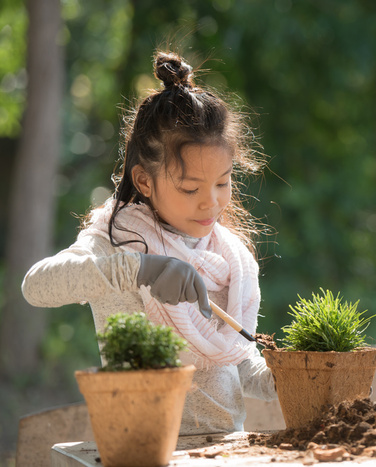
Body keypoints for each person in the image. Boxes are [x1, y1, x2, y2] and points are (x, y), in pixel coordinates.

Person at [22, 51, 277, 434]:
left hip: (224, 449)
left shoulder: (228, 258)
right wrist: (139, 270)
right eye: (190, 188)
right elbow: (36, 285)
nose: (212, 202)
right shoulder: (122, 240)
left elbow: (239, 363)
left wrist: (288, 374)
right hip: (138, 447)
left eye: (223, 183)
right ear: (144, 181)